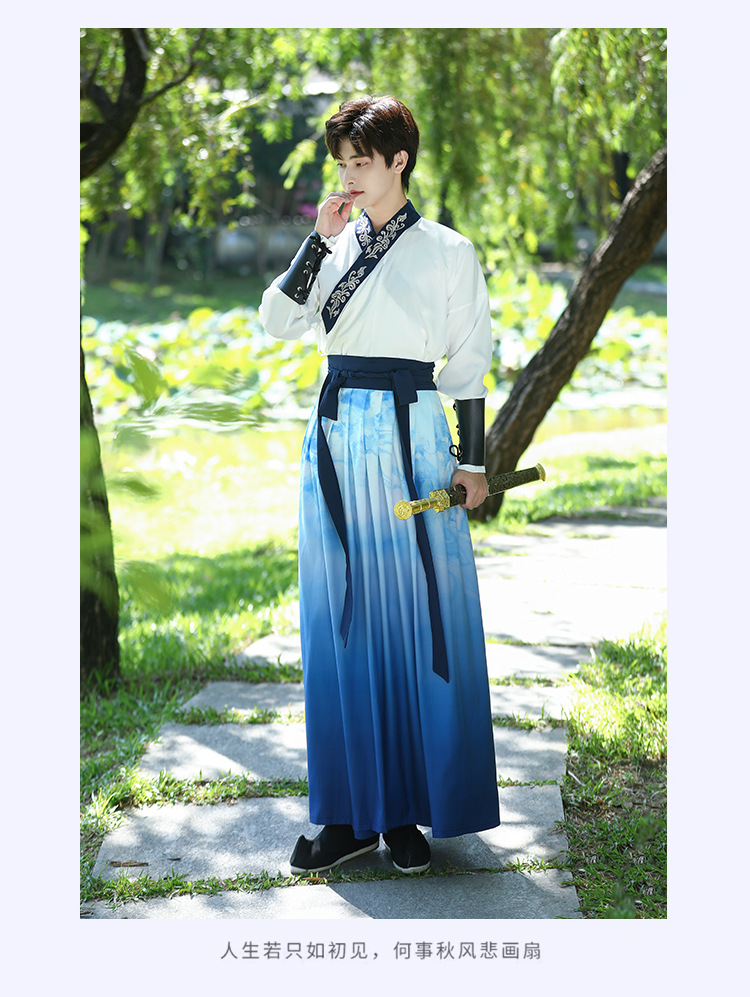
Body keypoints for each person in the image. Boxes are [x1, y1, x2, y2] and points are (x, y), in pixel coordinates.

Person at [259, 95, 500, 876]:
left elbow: (469, 358)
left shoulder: (448, 250)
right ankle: (347, 812)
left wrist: (471, 460)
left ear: (399, 160)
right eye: (342, 164)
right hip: (337, 436)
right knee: (342, 616)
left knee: (414, 615)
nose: (349, 177)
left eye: (361, 162)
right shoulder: (330, 244)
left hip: (413, 437)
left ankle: (404, 810)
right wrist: (315, 243)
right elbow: (276, 323)